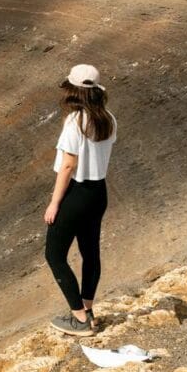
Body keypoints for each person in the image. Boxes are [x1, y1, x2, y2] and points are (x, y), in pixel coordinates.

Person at [44, 64, 117, 337]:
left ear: (74, 91)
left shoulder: (75, 121)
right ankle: (89, 310)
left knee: (54, 254)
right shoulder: (108, 119)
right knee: (90, 253)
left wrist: (54, 203)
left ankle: (79, 319)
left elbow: (68, 166)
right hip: (99, 193)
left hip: (77, 193)